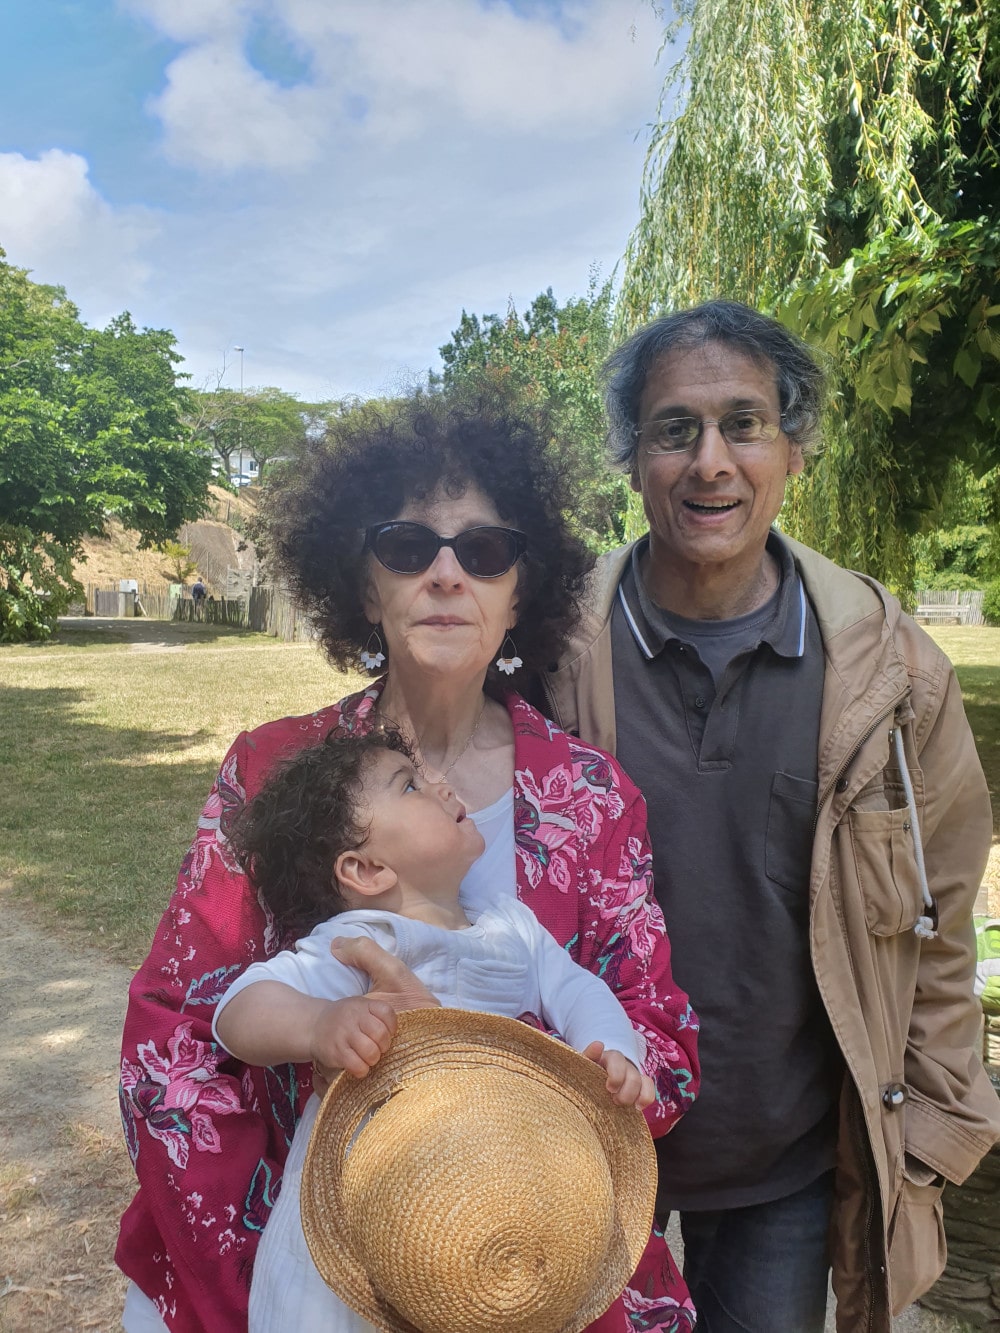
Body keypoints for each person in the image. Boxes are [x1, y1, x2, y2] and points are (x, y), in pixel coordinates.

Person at [116, 388, 700, 1333]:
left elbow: (659, 1039)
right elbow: (173, 1040)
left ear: (521, 590)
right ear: (362, 585)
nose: (444, 574)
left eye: (483, 550)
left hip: (514, 1266)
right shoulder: (271, 773)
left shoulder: (595, 799)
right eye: (405, 545)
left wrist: (483, 1081)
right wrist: (264, 1276)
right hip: (294, 1260)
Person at [540, 299, 1000, 1333]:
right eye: (674, 430)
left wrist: (928, 1125)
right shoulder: (550, 656)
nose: (710, 460)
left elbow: (938, 921)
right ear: (633, 460)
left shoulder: (890, 674)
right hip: (583, 1139)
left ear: (793, 449)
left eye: (742, 423)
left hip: (786, 1161)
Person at [214, 726, 655, 1331]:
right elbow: (239, 1008)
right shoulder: (362, 942)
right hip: (368, 1204)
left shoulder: (510, 925)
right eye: (412, 785)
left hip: (489, 1193)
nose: (441, 784)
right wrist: (320, 1023)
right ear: (366, 870)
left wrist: (608, 1050)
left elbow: (577, 987)